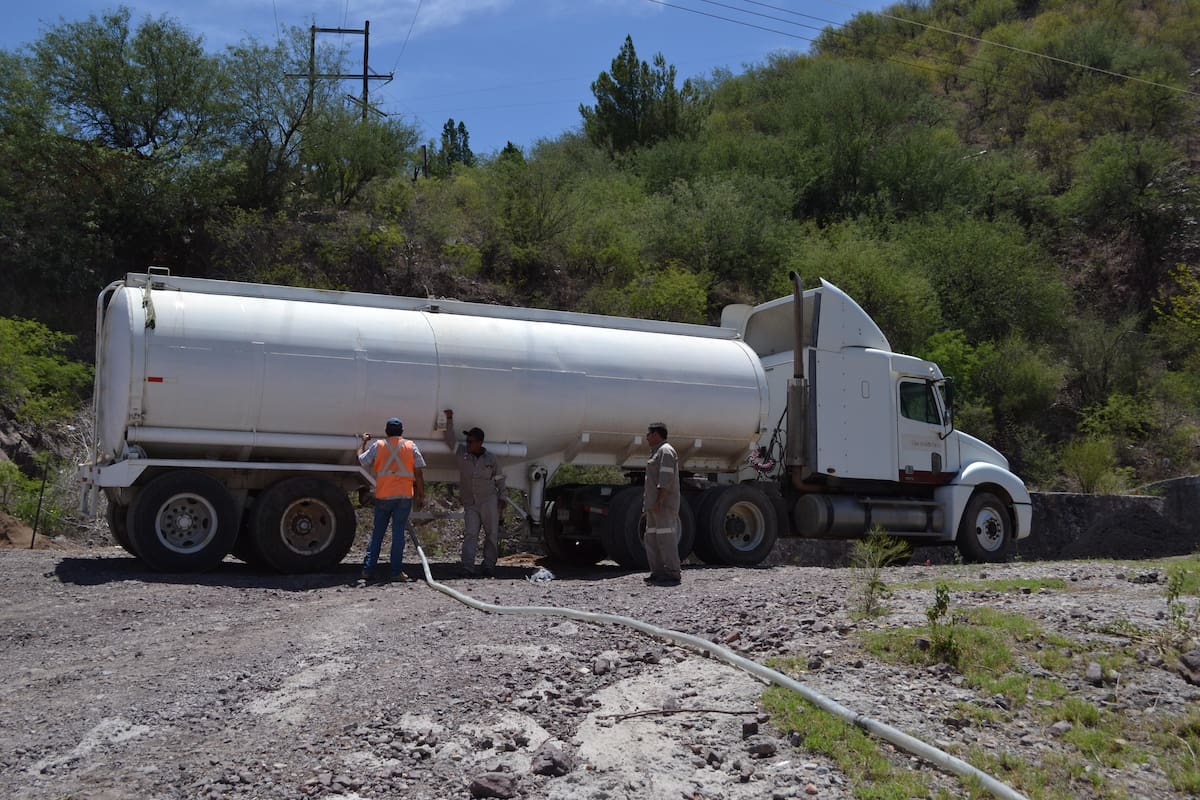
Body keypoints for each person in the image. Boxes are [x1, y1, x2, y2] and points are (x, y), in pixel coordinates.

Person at [357, 417, 425, 583]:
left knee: (378, 533)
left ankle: (367, 570)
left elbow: (361, 460)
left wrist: (363, 442)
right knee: (398, 535)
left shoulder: (378, 445)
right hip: (404, 497)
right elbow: (419, 473)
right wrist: (420, 495)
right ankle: (395, 572)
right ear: (402, 431)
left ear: (387, 432)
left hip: (384, 496)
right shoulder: (411, 446)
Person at [443, 409, 507, 577]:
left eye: (471, 441)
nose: (468, 443)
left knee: (491, 533)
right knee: (471, 533)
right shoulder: (462, 453)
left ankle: (489, 565)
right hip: (470, 502)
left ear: (479, 443)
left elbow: (500, 478)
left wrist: (502, 497)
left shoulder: (491, 459)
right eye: (467, 440)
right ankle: (467, 567)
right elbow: (449, 439)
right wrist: (449, 419)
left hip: (488, 501)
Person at [643, 422, 682, 587]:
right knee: (651, 538)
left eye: (648, 433)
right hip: (653, 506)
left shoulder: (665, 451)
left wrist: (660, 501)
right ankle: (658, 572)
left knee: (666, 538)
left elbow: (665, 480)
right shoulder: (656, 452)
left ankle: (673, 572)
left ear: (656, 434)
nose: (646, 437)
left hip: (663, 505)